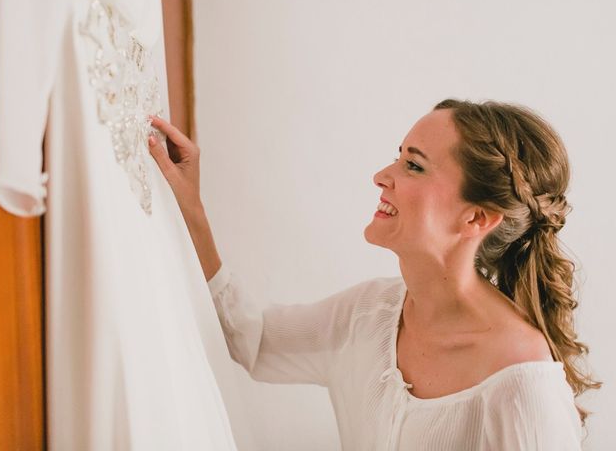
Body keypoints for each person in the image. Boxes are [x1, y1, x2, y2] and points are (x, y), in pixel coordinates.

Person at [147, 99, 601, 450]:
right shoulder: (368, 314)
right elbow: (251, 339)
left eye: (414, 165)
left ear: (477, 219)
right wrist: (191, 209)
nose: (382, 176)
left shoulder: (525, 388)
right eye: (399, 157)